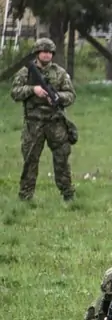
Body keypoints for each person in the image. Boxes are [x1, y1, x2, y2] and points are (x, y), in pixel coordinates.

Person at [10, 37, 77, 202]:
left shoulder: (60, 73)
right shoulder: (26, 72)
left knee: (62, 159)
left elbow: (71, 95)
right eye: (43, 52)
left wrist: (57, 97)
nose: (47, 55)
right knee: (30, 160)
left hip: (55, 122)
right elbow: (15, 92)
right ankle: (25, 197)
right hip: (33, 123)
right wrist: (33, 90)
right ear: (37, 53)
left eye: (49, 52)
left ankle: (68, 195)